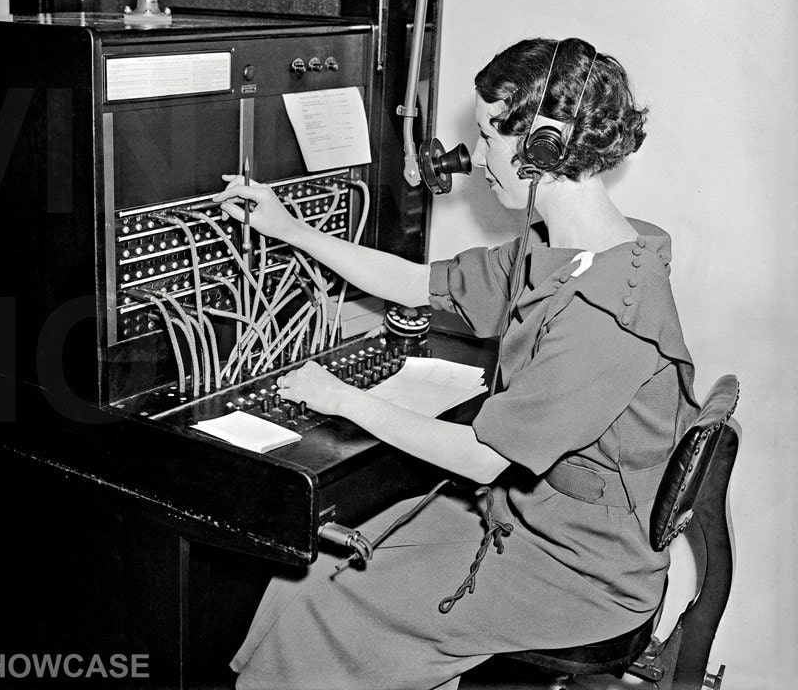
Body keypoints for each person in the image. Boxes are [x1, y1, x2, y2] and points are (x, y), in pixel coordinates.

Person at [211, 37, 699, 690]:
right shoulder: (569, 249)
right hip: (523, 520)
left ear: (540, 146)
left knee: (322, 605)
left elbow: (483, 457)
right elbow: (417, 283)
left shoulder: (610, 312)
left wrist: (344, 398)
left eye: (487, 136)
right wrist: (292, 229)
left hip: (577, 574)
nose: (476, 158)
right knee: (307, 573)